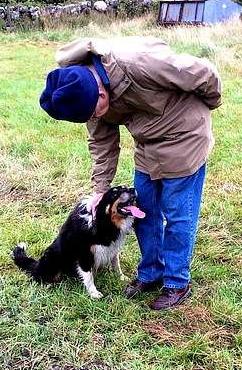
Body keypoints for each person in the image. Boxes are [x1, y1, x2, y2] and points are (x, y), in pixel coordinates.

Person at [38, 37, 222, 310]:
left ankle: (177, 283)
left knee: (178, 216)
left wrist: (207, 106)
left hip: (186, 137)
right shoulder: (83, 93)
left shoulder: (140, 63)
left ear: (101, 94)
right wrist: (101, 188)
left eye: (94, 112)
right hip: (148, 143)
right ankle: (151, 272)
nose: (94, 118)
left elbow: (204, 74)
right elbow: (102, 141)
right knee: (141, 211)